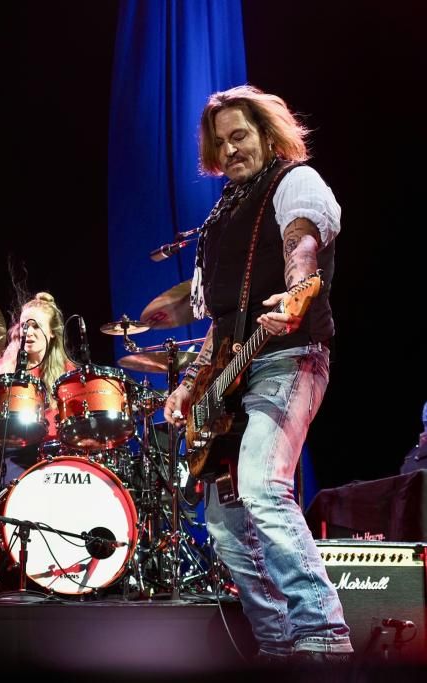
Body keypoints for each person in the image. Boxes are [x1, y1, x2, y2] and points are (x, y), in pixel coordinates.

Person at [164, 85, 353, 664]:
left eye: (239, 136)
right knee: (224, 523)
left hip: (290, 357)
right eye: (220, 143)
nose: (230, 150)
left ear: (267, 134)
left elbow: (302, 246)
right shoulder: (221, 217)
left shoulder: (294, 181)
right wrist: (190, 384)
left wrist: (298, 293)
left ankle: (324, 634)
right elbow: (223, 324)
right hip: (235, 376)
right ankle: (278, 645)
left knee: (263, 486)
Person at [0, 291, 76, 483]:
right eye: (25, 325)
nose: (29, 332)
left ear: (52, 332)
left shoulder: (68, 371)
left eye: (36, 326)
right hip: (18, 450)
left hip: (59, 452)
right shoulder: (6, 365)